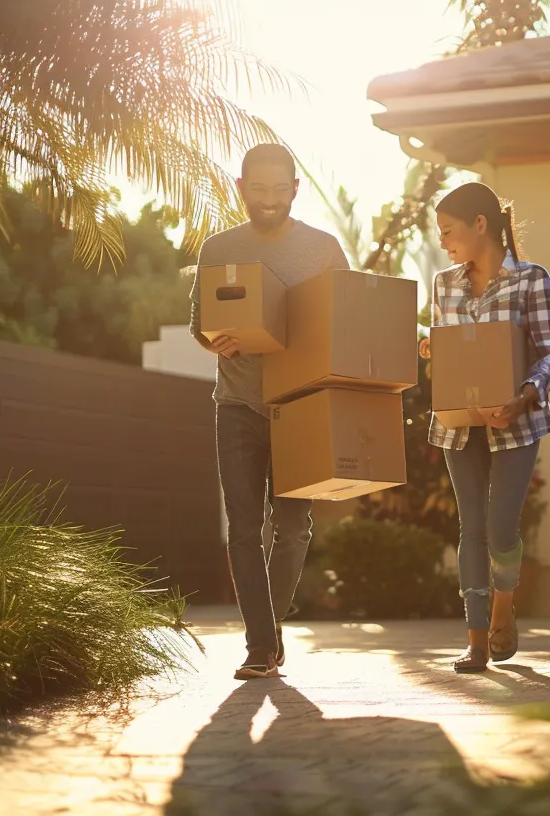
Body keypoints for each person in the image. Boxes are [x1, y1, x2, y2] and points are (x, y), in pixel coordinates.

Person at [189, 144, 352, 680]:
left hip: (298, 405)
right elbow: (199, 322)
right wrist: (216, 341)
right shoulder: (218, 248)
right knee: (242, 526)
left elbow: (346, 318)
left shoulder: (322, 248)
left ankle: (270, 628)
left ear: (294, 190)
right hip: (236, 404)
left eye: (280, 190)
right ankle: (260, 644)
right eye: (259, 189)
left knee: (294, 528)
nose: (269, 200)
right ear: (241, 188)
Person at [418, 182, 550, 673]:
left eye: (449, 231)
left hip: (516, 423)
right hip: (461, 426)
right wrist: (432, 349)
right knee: (471, 529)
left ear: (480, 224)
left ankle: (505, 608)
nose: (443, 242)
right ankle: (477, 640)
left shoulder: (530, 280)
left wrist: (525, 394)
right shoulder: (444, 284)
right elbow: (457, 351)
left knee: (501, 529)